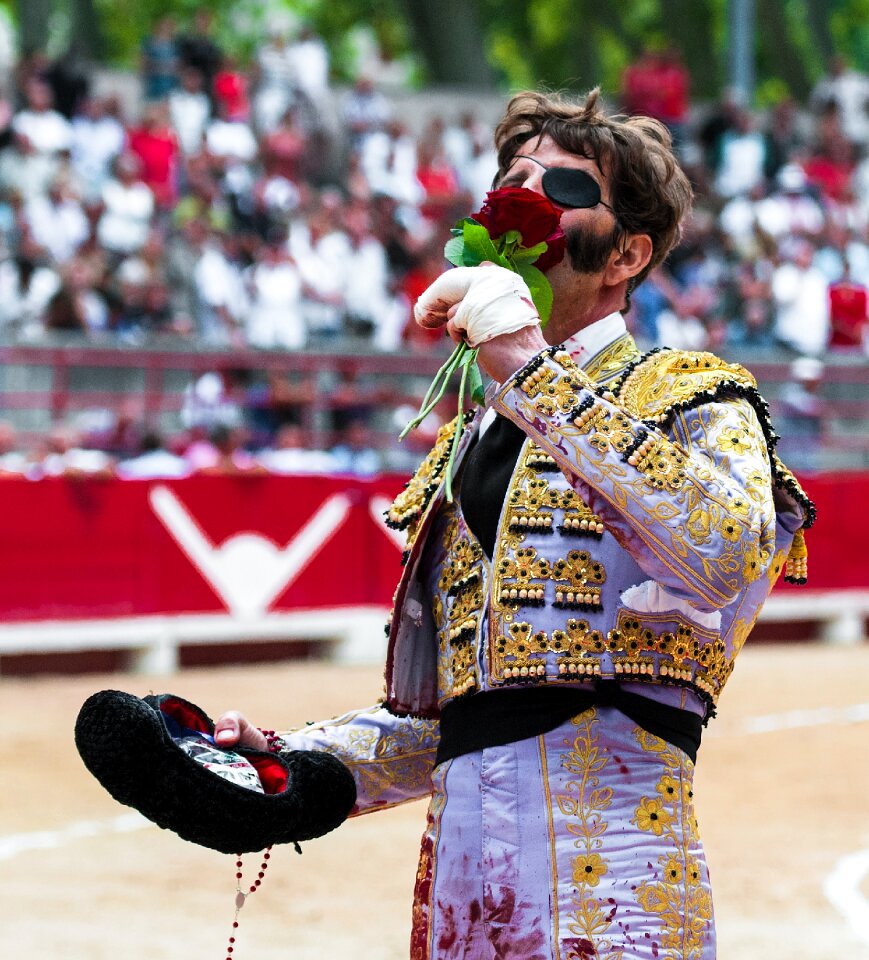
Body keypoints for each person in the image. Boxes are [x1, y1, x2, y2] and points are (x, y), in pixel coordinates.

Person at [213, 89, 814, 959]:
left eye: (560, 190)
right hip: (460, 903)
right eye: (507, 178)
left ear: (626, 255)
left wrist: (529, 371)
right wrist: (295, 764)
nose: (514, 200)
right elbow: (462, 715)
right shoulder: (472, 439)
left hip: (619, 894)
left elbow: (726, 552)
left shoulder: (693, 393)